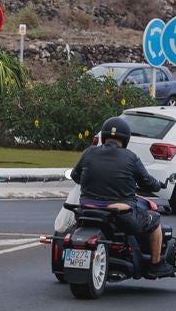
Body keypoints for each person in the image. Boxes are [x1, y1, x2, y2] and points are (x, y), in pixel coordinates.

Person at [68, 116, 169, 274]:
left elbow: (75, 176)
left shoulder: (89, 152)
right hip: (119, 214)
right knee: (154, 219)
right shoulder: (131, 157)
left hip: (87, 210)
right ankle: (155, 264)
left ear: (104, 136)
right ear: (126, 138)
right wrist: (159, 185)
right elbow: (148, 182)